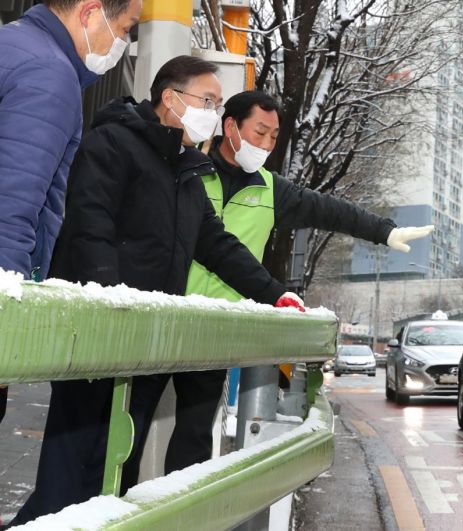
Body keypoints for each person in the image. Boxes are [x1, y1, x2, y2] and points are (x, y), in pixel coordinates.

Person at [11, 55, 301, 525]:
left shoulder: (187, 170)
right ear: (170, 98)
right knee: (69, 474)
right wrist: (111, 305)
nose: (213, 111)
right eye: (207, 100)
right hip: (98, 337)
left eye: (217, 102)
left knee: (115, 474)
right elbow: (90, 227)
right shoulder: (113, 144)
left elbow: (217, 244)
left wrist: (274, 293)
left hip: (143, 344)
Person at [119, 90, 433, 487]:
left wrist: (385, 232)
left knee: (195, 438)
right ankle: (110, 512)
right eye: (260, 132)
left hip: (214, 328)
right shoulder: (188, 169)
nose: (266, 144)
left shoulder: (271, 190)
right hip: (161, 317)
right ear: (230, 126)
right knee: (130, 426)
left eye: (273, 136)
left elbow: (331, 210)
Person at [0, 0, 141, 424]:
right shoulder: (49, 74)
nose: (125, 42)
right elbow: (11, 207)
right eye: (127, 27)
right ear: (90, 13)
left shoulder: (12, 44)